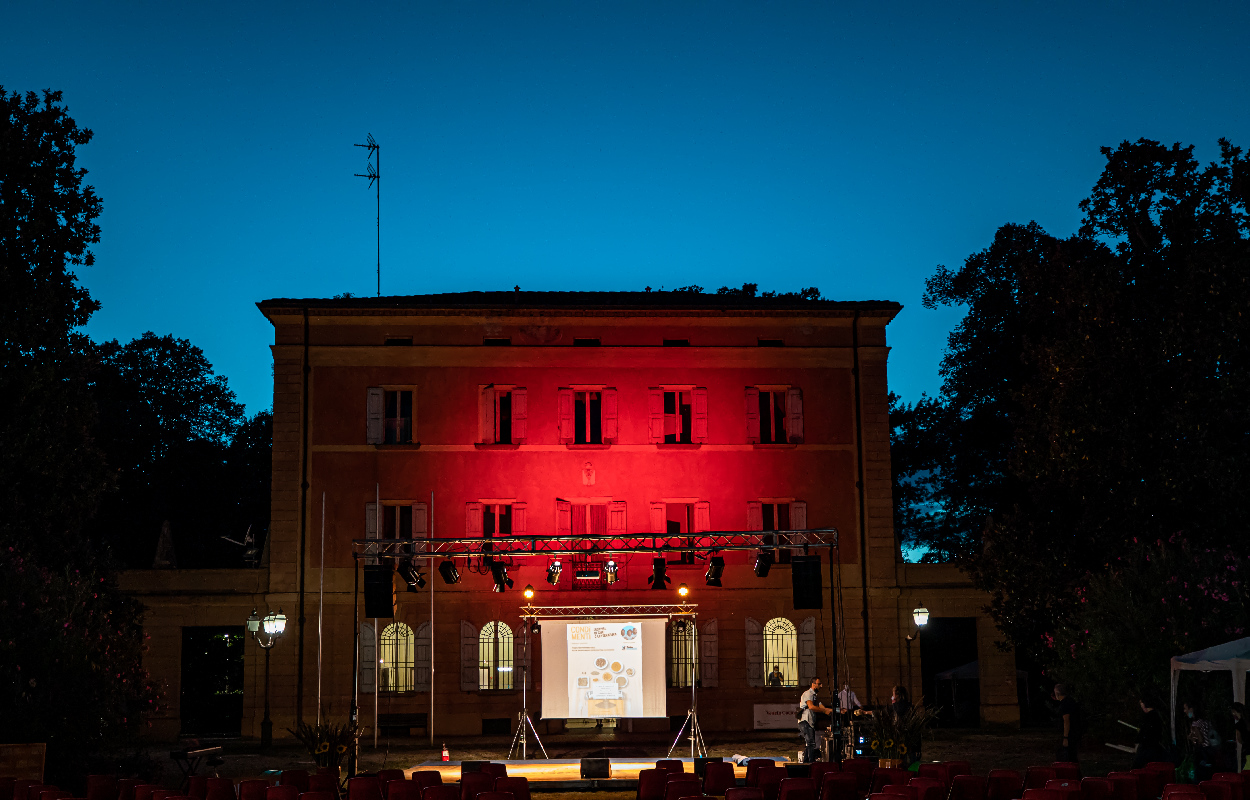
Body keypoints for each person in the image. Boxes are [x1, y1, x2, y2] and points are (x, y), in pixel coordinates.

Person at [799, 676, 834, 763]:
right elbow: (811, 707)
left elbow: (823, 707)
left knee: (810, 743)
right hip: (806, 721)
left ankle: (806, 762)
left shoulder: (814, 696)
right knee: (811, 743)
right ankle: (810, 762)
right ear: (813, 684)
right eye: (819, 684)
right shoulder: (808, 694)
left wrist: (837, 710)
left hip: (809, 722)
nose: (821, 686)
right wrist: (824, 711)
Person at [1184, 700, 1219, 780]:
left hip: (1203, 752)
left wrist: (1192, 738)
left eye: (1185, 709)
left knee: (1201, 775)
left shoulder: (1195, 724)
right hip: (1211, 750)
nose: (1184, 711)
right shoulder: (1205, 721)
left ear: (1191, 709)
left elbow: (1200, 740)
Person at [1132, 696, 1169, 768]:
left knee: (1138, 767)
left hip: (1148, 747)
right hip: (1153, 747)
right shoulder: (1156, 716)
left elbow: (1144, 732)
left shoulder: (1149, 717)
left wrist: (1138, 741)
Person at [1054, 684, 1083, 763]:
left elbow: (1066, 720)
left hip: (1071, 735)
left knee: (1068, 756)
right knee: (1072, 755)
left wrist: (1065, 737)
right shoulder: (1070, 701)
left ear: (1057, 692)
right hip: (1075, 733)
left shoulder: (1065, 704)